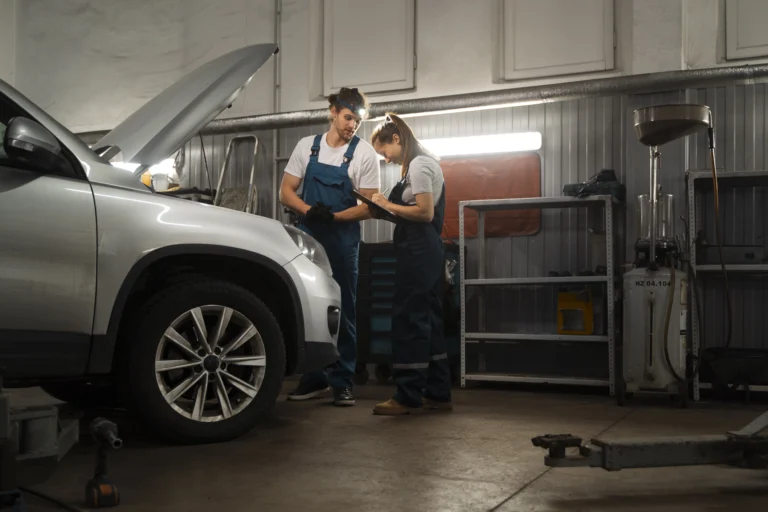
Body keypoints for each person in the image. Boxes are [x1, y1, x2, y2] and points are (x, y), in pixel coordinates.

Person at [279, 87, 381, 407]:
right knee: (310, 305)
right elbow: (286, 192)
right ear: (333, 112)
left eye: (358, 121)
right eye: (348, 117)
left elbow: (369, 206)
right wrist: (309, 211)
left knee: (344, 309)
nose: (353, 125)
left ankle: (342, 380)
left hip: (343, 240)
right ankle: (313, 377)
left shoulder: (364, 154)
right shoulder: (306, 147)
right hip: (308, 237)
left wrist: (334, 217)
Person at [368, 113, 453, 415]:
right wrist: (384, 210)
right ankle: (438, 392)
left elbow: (425, 213)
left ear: (396, 139)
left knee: (409, 318)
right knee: (428, 318)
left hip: (419, 248)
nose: (386, 160)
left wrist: (386, 204)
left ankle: (407, 395)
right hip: (420, 249)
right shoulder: (417, 166)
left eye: (385, 152)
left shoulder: (420, 165)